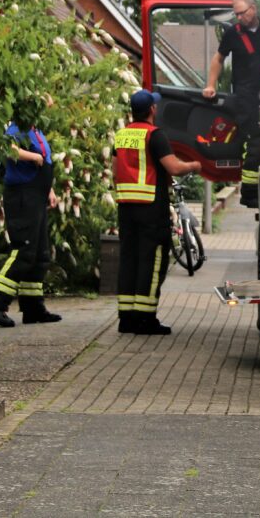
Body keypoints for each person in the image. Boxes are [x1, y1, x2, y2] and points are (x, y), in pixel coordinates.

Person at [113, 89, 203, 335]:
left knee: (129, 259)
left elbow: (115, 169)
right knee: (152, 262)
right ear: (152, 110)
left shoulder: (121, 136)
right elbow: (173, 167)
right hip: (151, 209)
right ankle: (146, 318)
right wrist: (194, 165)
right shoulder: (155, 135)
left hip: (126, 207)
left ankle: (127, 318)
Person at [0, 100, 63, 327]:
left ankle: (33, 308)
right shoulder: (17, 128)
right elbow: (8, 149)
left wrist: (50, 190)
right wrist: (33, 157)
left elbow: (44, 160)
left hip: (37, 194)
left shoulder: (36, 131)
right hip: (22, 196)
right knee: (24, 251)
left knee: (39, 254)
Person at [202, 0, 260, 209]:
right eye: (236, 14)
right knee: (255, 139)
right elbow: (218, 59)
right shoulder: (233, 33)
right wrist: (211, 85)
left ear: (254, 8)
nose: (239, 17)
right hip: (245, 95)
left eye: (242, 12)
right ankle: (249, 193)